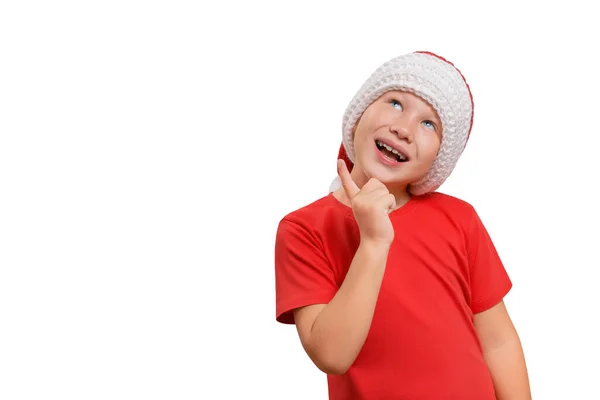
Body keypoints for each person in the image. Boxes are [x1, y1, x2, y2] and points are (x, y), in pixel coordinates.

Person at [274, 51, 531, 399]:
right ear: (360, 111)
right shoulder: (304, 228)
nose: (403, 128)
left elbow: (499, 342)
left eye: (429, 123)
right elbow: (331, 354)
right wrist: (374, 242)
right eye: (395, 102)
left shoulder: (459, 218)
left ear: (438, 159)